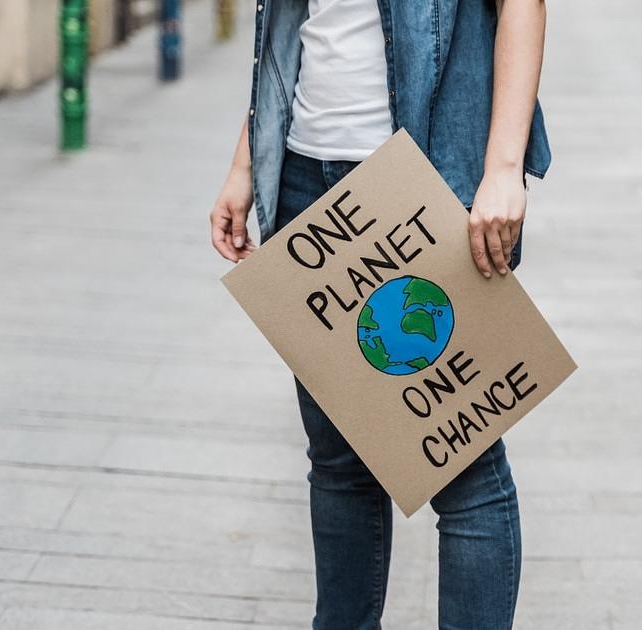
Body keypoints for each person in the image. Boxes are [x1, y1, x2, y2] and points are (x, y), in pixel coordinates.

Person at [209, 1, 550, 627]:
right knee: (337, 461)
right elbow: (294, 25)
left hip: (426, 175)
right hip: (305, 179)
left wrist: (504, 168)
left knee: (463, 467)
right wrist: (244, 163)